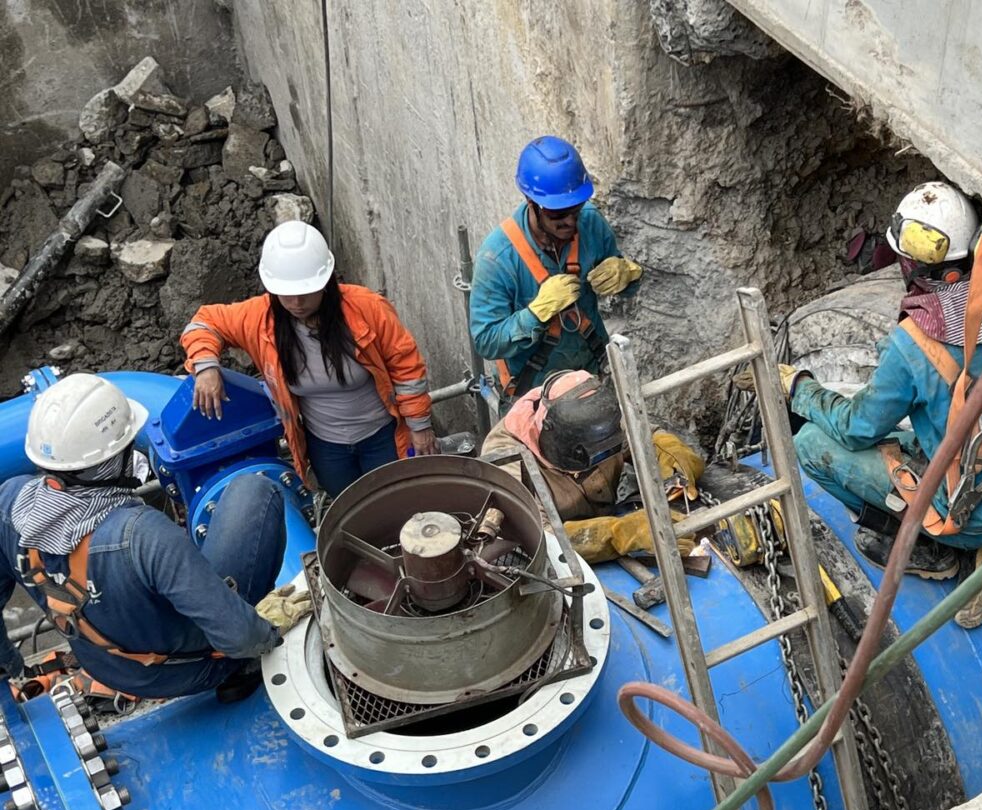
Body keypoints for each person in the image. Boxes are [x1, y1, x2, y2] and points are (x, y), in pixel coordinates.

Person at [770, 182, 982, 628]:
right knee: (930, 433)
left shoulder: (912, 347)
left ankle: (936, 548)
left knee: (810, 442)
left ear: (910, 266)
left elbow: (856, 428)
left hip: (973, 514)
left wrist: (800, 389)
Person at [0, 374, 309, 700]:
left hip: (105, 664)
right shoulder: (144, 535)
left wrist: (11, 666)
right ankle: (240, 670)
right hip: (186, 671)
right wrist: (267, 633)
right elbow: (240, 636)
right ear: (117, 455)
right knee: (254, 491)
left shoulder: (10, 503)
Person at [183, 220, 436, 498]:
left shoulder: (366, 308)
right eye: (287, 295)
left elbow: (406, 367)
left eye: (305, 292)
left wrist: (420, 427)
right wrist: (206, 366)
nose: (296, 303)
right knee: (349, 507)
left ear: (325, 282)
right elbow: (204, 322)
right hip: (326, 447)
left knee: (397, 501)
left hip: (382, 437)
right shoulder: (260, 318)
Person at [470, 136, 643, 403]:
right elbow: (486, 340)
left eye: (576, 210)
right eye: (558, 215)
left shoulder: (591, 223)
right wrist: (535, 314)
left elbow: (625, 286)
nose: (570, 222)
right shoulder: (498, 258)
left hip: (591, 379)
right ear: (532, 203)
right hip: (534, 395)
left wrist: (628, 273)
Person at [480, 370, 703, 562]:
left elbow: (647, 437)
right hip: (557, 564)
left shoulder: (598, 414)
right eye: (589, 460)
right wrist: (622, 533)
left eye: (607, 453)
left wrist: (673, 460)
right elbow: (542, 538)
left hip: (609, 525)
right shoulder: (506, 460)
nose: (598, 464)